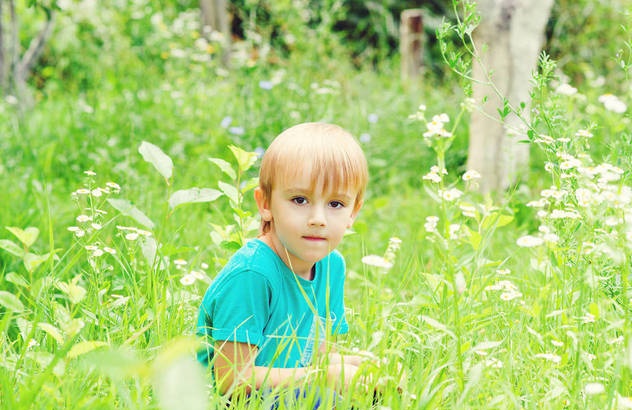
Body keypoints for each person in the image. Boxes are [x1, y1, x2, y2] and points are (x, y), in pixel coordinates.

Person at [196, 122, 371, 407]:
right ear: (265, 203)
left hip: (288, 391)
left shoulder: (332, 266)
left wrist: (360, 368)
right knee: (325, 398)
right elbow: (232, 381)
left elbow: (315, 357)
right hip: (231, 401)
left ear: (354, 211)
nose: (318, 218)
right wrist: (323, 376)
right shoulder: (252, 273)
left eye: (336, 204)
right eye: (299, 199)